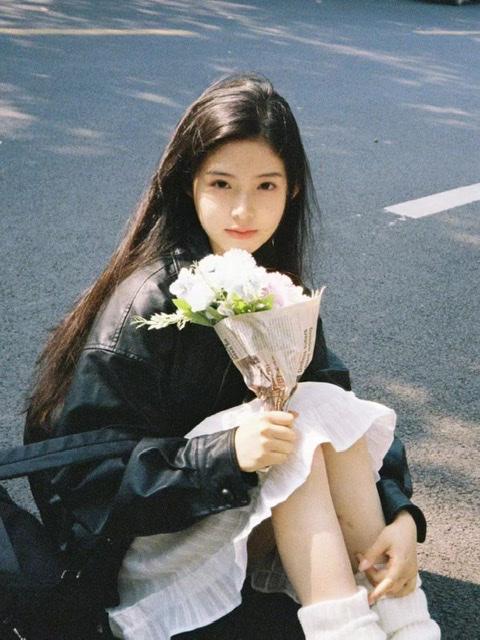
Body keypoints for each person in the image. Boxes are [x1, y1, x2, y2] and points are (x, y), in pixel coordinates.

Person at [23, 73, 440, 640]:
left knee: (311, 407)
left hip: (225, 515)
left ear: (293, 190)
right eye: (221, 183)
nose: (243, 210)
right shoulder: (148, 302)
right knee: (295, 433)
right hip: (140, 553)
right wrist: (228, 456)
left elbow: (341, 408)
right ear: (187, 184)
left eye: (266, 185)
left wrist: (401, 517)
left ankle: (403, 622)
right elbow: (85, 488)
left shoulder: (273, 285)